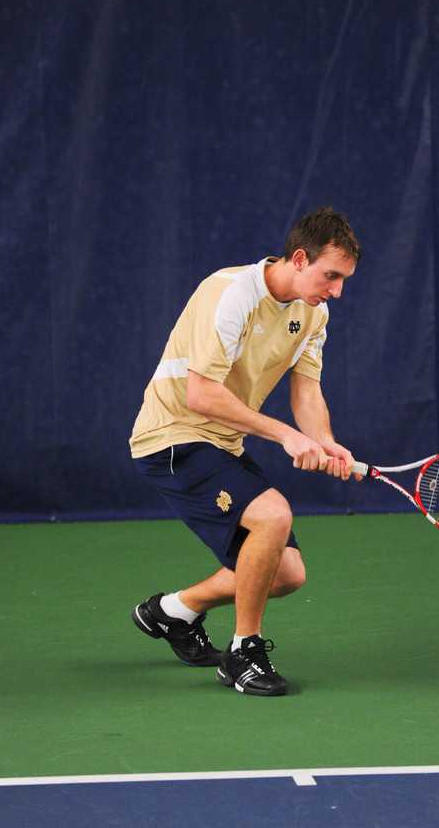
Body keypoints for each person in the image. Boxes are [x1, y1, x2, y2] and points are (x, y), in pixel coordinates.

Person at [129, 206, 361, 696]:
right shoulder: (230, 292)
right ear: (299, 259)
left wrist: (324, 442)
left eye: (343, 279)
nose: (337, 289)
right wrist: (285, 436)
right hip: (173, 434)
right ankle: (243, 653)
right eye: (331, 275)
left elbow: (307, 393)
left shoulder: (314, 312)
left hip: (219, 441)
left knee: (286, 572)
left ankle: (175, 611)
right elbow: (201, 395)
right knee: (273, 517)